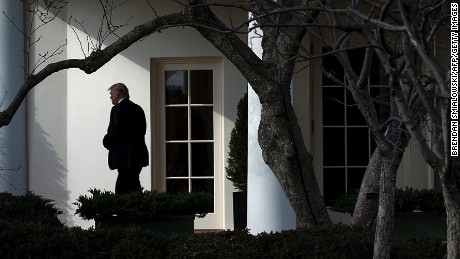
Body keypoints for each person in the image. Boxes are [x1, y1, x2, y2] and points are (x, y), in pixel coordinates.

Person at [103, 83, 149, 194]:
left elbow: (116, 131)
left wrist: (106, 141)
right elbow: (142, 130)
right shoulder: (138, 109)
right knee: (134, 183)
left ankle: (123, 210)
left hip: (123, 156)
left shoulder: (117, 109)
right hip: (138, 154)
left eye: (111, 94)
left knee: (122, 188)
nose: (110, 97)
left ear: (117, 94)